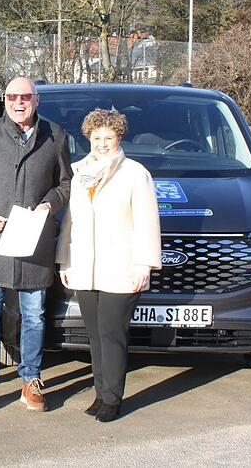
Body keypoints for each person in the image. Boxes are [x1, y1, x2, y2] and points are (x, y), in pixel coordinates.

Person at [0, 77, 72, 413]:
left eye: (25, 97)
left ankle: (31, 380)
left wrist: (49, 205)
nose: (18, 102)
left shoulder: (55, 136)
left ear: (36, 100)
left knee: (35, 316)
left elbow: (66, 184)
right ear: (5, 100)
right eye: (12, 96)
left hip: (33, 244)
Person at [56, 109, 161, 423]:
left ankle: (113, 399)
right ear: (89, 138)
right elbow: (70, 222)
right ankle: (100, 394)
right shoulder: (79, 173)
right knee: (95, 335)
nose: (102, 143)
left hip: (122, 267)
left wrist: (144, 264)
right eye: (97, 137)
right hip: (85, 266)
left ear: (119, 138)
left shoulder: (135, 173)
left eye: (109, 138)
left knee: (112, 333)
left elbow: (147, 222)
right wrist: (64, 259)